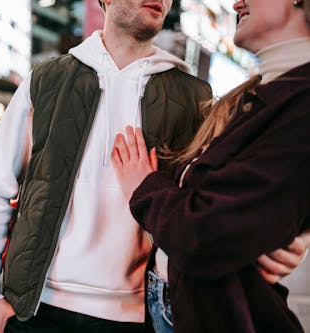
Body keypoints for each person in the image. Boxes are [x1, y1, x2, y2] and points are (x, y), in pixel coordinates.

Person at [0, 0, 305, 332]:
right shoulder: (46, 80)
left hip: (140, 316)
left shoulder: (196, 97)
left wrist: (287, 236)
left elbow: (225, 206)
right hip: (35, 311)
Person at [111, 0, 310, 332]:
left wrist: (144, 186)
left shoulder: (298, 104)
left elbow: (203, 234)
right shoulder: (255, 97)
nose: (237, 3)